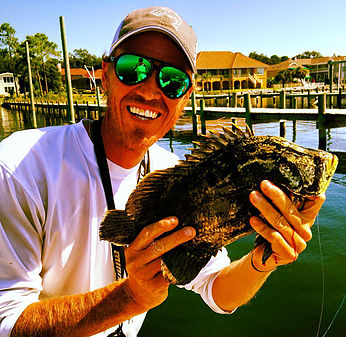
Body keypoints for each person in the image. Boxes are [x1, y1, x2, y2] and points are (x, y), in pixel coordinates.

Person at [0, 6, 325, 337]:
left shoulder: (175, 174)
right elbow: (5, 323)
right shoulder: (19, 167)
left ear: (186, 96)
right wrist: (130, 297)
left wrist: (264, 259)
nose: (151, 90)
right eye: (133, 68)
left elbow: (216, 289)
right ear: (105, 75)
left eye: (172, 79)